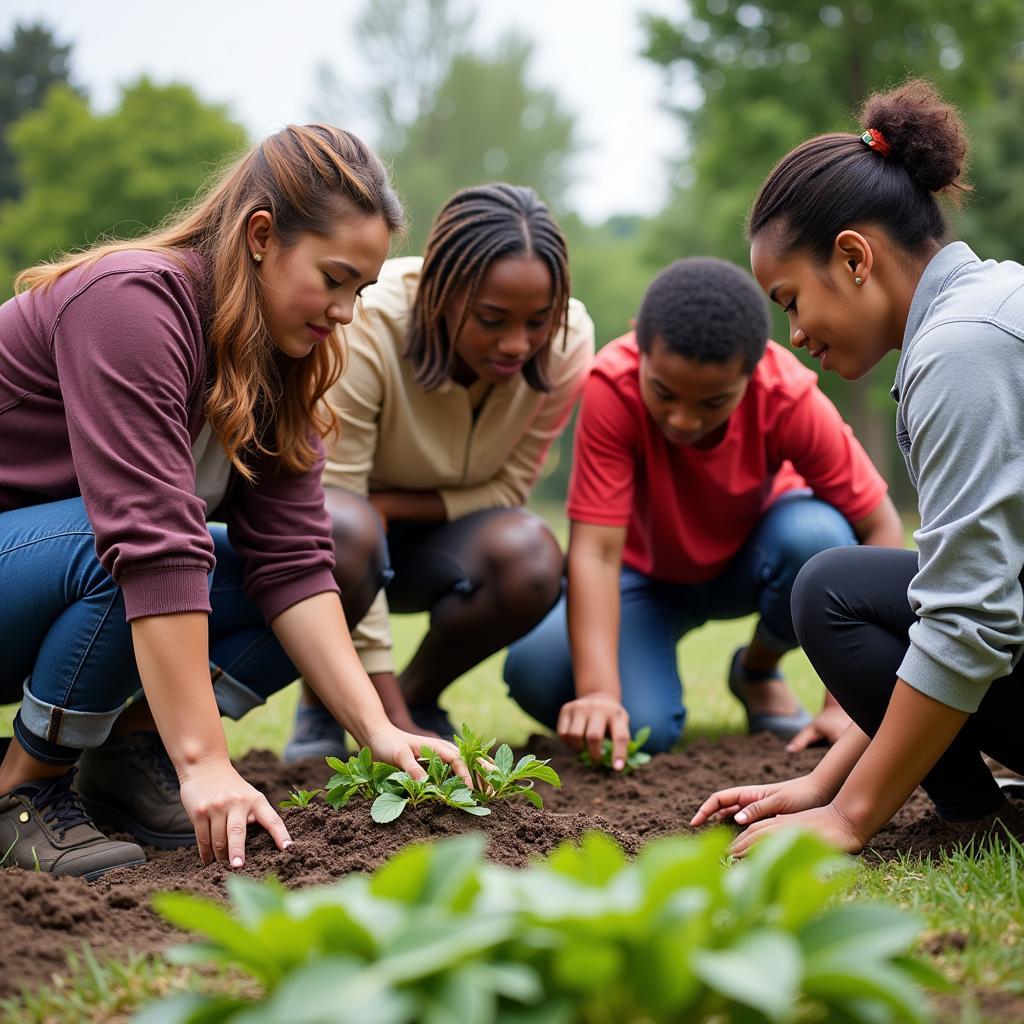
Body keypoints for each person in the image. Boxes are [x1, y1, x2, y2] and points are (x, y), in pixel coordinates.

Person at [0, 124, 473, 881]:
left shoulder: (288, 355)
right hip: (34, 570)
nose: (347, 311)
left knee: (338, 555)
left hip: (55, 587)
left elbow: (292, 563)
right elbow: (149, 538)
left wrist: (377, 728)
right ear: (261, 234)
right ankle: (22, 787)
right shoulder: (132, 302)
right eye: (335, 277)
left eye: (363, 290)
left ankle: (125, 753)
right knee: (126, 545)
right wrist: (207, 760)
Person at [693, 79, 1024, 855]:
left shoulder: (962, 352)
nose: (796, 334)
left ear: (852, 258)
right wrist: (822, 782)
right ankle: (975, 805)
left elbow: (971, 619)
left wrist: (847, 817)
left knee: (831, 591)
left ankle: (973, 817)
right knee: (873, 584)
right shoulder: (986, 307)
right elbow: (971, 592)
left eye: (790, 300)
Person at [504, 257, 903, 767]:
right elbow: (597, 554)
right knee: (540, 675)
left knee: (818, 536)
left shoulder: (786, 393)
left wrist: (847, 703)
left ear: (752, 369)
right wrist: (600, 692)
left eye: (713, 402)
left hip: (753, 559)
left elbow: (880, 526)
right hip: (642, 580)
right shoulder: (612, 384)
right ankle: (635, 681)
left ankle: (756, 670)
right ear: (640, 349)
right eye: (664, 393)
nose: (683, 419)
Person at [283, 183, 594, 761]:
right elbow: (330, 512)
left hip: (443, 540)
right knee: (344, 529)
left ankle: (420, 700)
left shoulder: (570, 339)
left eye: (536, 322)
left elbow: (509, 489)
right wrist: (386, 727)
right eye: (492, 319)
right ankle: (325, 705)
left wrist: (391, 506)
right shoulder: (366, 324)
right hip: (337, 540)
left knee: (530, 556)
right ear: (441, 294)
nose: (516, 344)